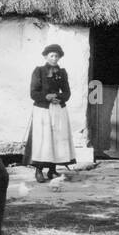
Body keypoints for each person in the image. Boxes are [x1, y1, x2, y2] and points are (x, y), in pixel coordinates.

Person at [23, 43, 74, 183]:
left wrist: (60, 98)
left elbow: (67, 92)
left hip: (58, 110)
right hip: (43, 110)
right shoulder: (38, 71)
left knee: (56, 139)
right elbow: (33, 93)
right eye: (51, 55)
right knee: (43, 139)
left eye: (57, 56)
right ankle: (38, 171)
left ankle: (52, 170)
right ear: (46, 56)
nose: (54, 58)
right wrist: (46, 97)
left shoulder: (62, 73)